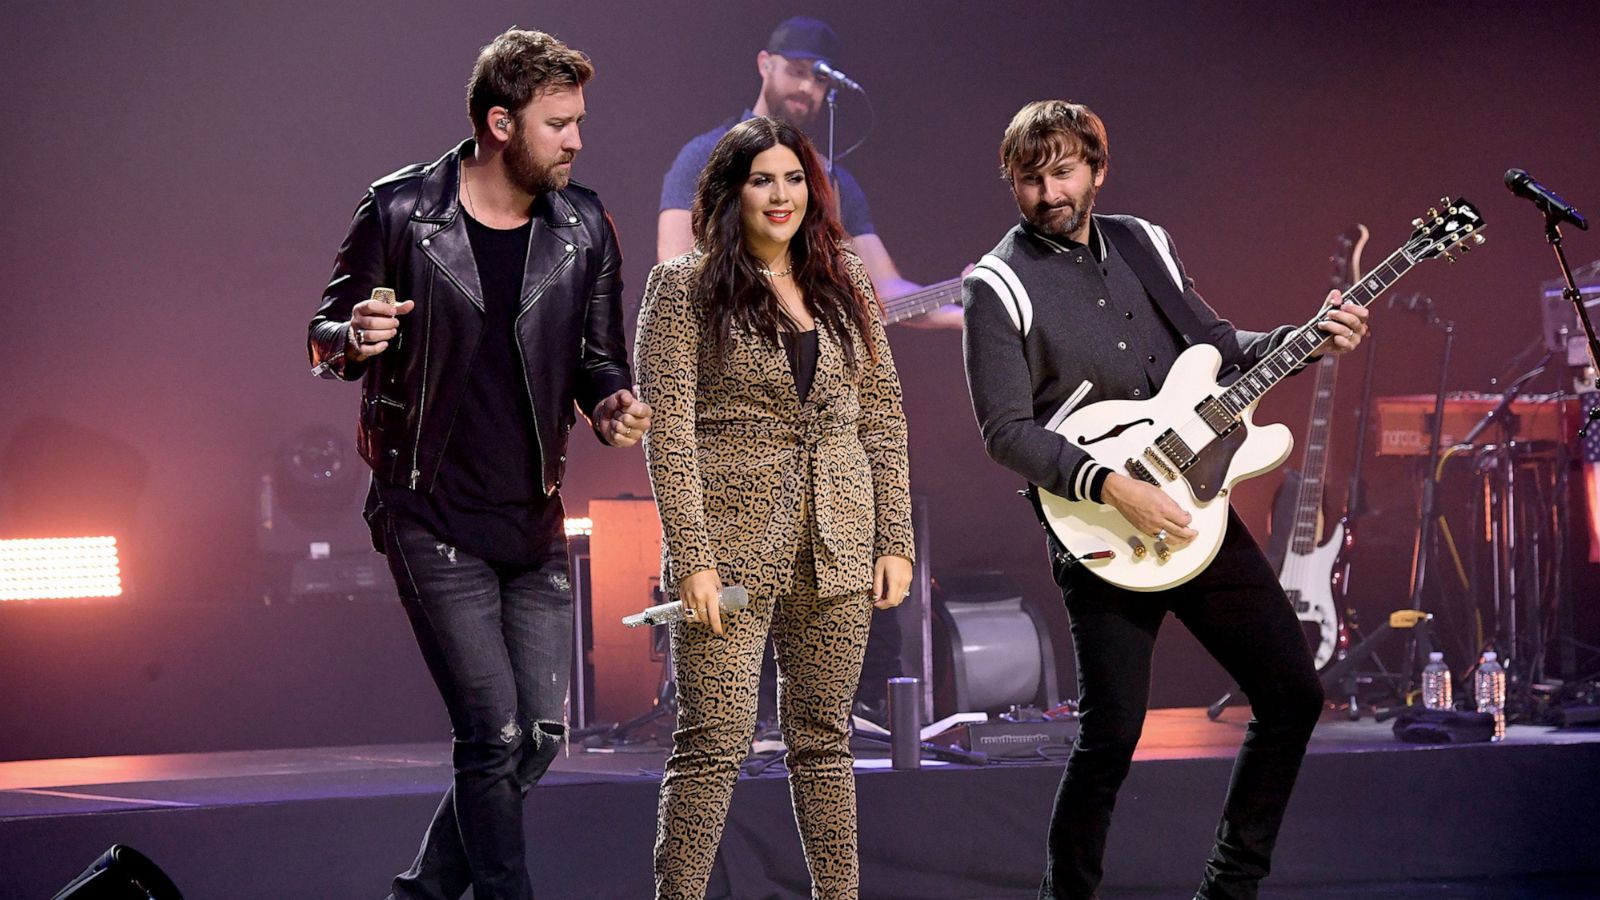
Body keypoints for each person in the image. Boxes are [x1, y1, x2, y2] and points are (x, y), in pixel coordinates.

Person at [961, 101, 1369, 900]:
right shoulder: (996, 284)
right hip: (1100, 525)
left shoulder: (1146, 242)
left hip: (1199, 509)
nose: (1048, 193)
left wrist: (1306, 335)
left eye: (1063, 171)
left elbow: (1215, 346)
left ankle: (1229, 890)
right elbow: (1005, 431)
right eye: (1029, 178)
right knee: (1109, 740)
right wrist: (1115, 487)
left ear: (1097, 170)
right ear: (1010, 181)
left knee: (1293, 696)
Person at [307, 28, 650, 900]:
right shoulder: (400, 210)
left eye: (578, 122)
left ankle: (420, 895)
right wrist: (354, 338)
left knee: (535, 737)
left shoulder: (584, 226)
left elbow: (598, 359)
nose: (576, 140)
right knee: (491, 735)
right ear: (501, 123)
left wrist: (611, 401)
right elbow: (325, 331)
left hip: (529, 517)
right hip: (429, 511)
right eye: (558, 123)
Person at [635, 115, 914, 900]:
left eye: (794, 178)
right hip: (727, 550)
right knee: (712, 743)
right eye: (763, 179)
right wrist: (690, 556)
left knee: (824, 743)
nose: (781, 194)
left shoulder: (846, 281)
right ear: (731, 192)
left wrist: (894, 536)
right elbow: (672, 435)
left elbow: (882, 413)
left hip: (840, 538)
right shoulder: (682, 287)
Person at [657, 15, 948, 317]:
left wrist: (965, 301)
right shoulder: (703, 156)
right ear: (764, 64)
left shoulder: (830, 181)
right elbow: (676, 271)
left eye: (819, 79)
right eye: (796, 72)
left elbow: (884, 290)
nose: (806, 87)